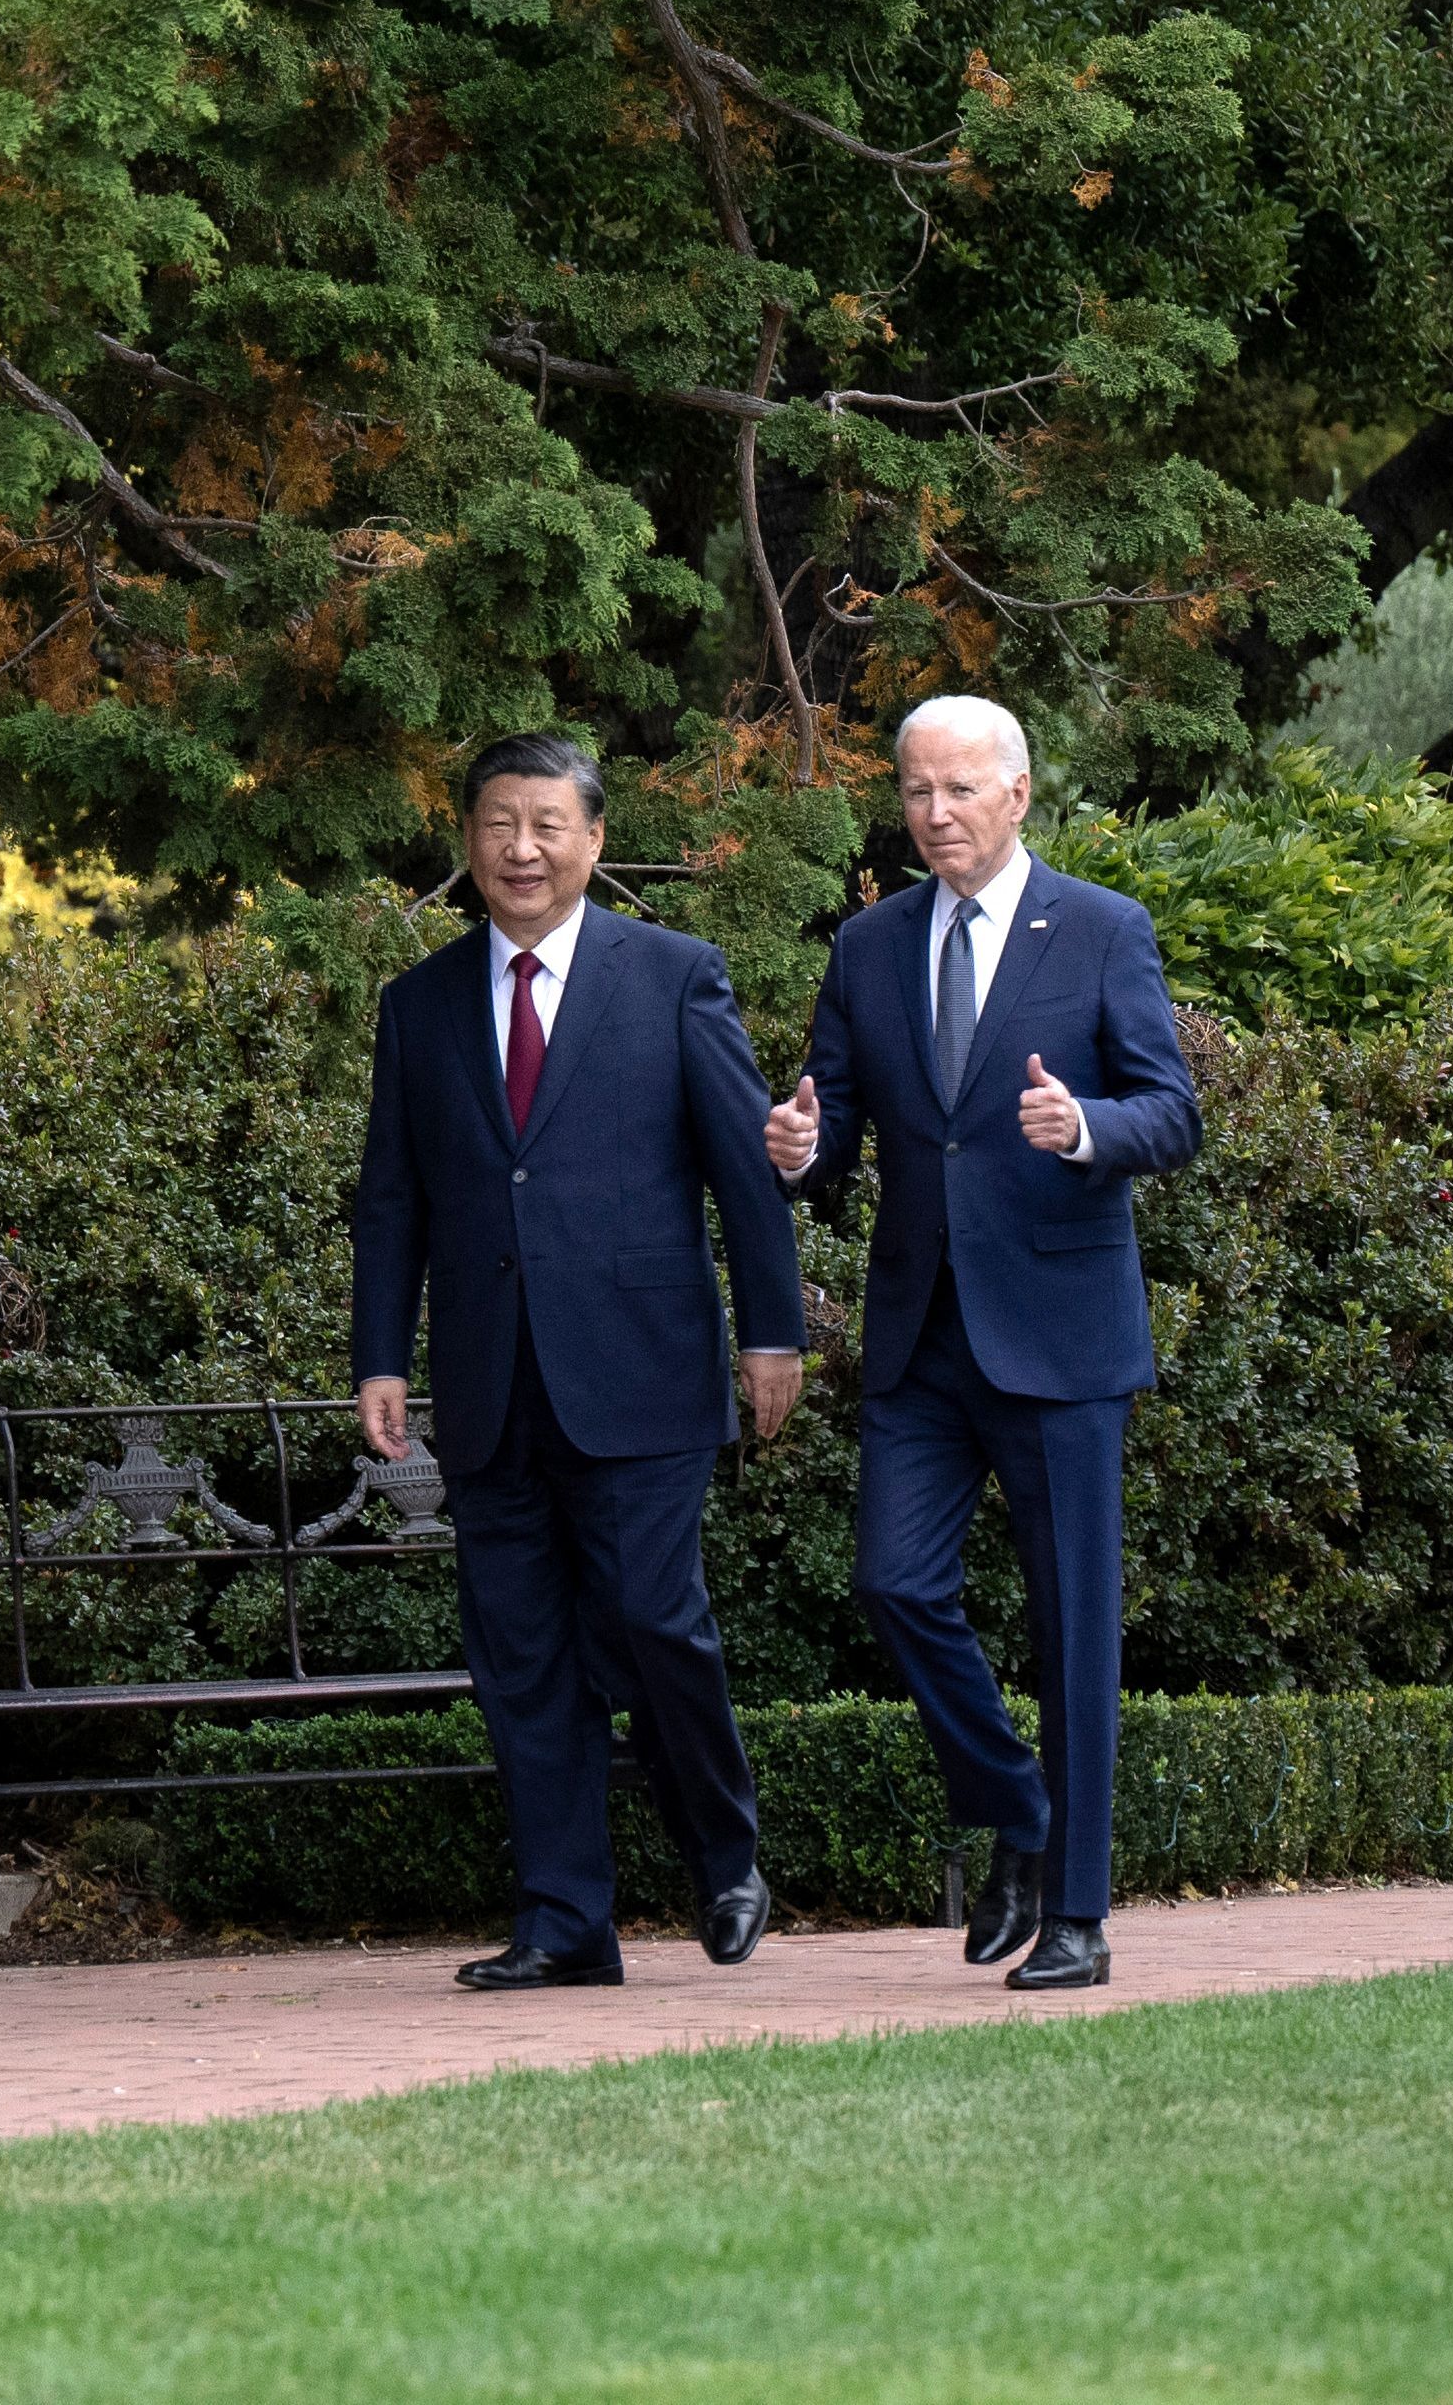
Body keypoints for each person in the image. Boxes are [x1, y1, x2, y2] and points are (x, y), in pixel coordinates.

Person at [353, 733, 809, 1989]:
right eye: (497, 823)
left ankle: (724, 1855)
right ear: (466, 840)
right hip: (491, 1382)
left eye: (546, 824)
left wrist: (773, 1330)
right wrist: (381, 1353)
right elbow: (391, 1196)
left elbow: (743, 1168)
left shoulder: (672, 975)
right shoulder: (419, 1004)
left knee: (655, 1619)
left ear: (594, 840)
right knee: (522, 1656)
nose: (521, 848)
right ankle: (564, 1922)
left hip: (644, 1370)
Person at [762, 695, 1200, 1992]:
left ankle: (1078, 1917)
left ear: (1017, 792)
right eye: (914, 790)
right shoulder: (866, 945)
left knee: (1074, 1627)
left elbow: (1170, 1110)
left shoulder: (1102, 927)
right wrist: (798, 1147)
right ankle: (1017, 1801)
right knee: (892, 1581)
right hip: (921, 1335)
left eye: (958, 788)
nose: (934, 812)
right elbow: (833, 1123)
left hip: (1060, 1333)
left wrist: (1087, 1128)